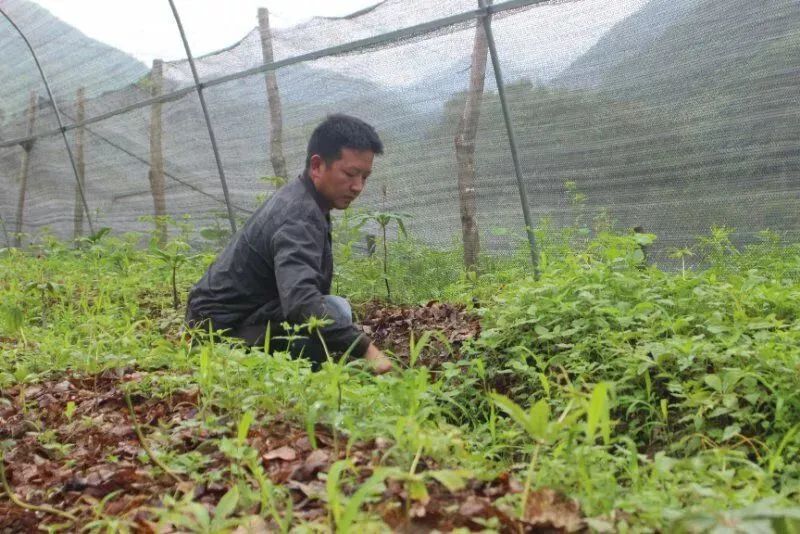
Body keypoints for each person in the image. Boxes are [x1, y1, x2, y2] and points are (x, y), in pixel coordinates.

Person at [185, 114, 392, 374]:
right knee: (335, 312)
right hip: (219, 336)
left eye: (365, 177)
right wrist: (367, 349)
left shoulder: (305, 200)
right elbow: (301, 302)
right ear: (317, 166)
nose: (358, 186)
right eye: (351, 174)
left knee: (335, 309)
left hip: (230, 320)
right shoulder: (299, 215)